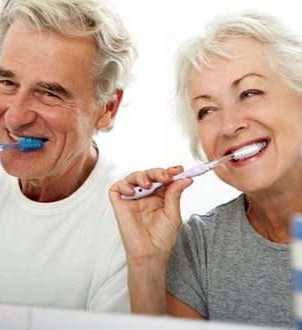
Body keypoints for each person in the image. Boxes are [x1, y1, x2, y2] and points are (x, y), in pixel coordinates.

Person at [109, 10, 300, 328]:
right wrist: (147, 265)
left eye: (249, 93)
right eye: (207, 110)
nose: (228, 126)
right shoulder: (197, 247)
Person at [0, 0, 137, 312]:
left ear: (107, 107)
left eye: (49, 93)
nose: (15, 118)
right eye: (8, 82)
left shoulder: (129, 227)